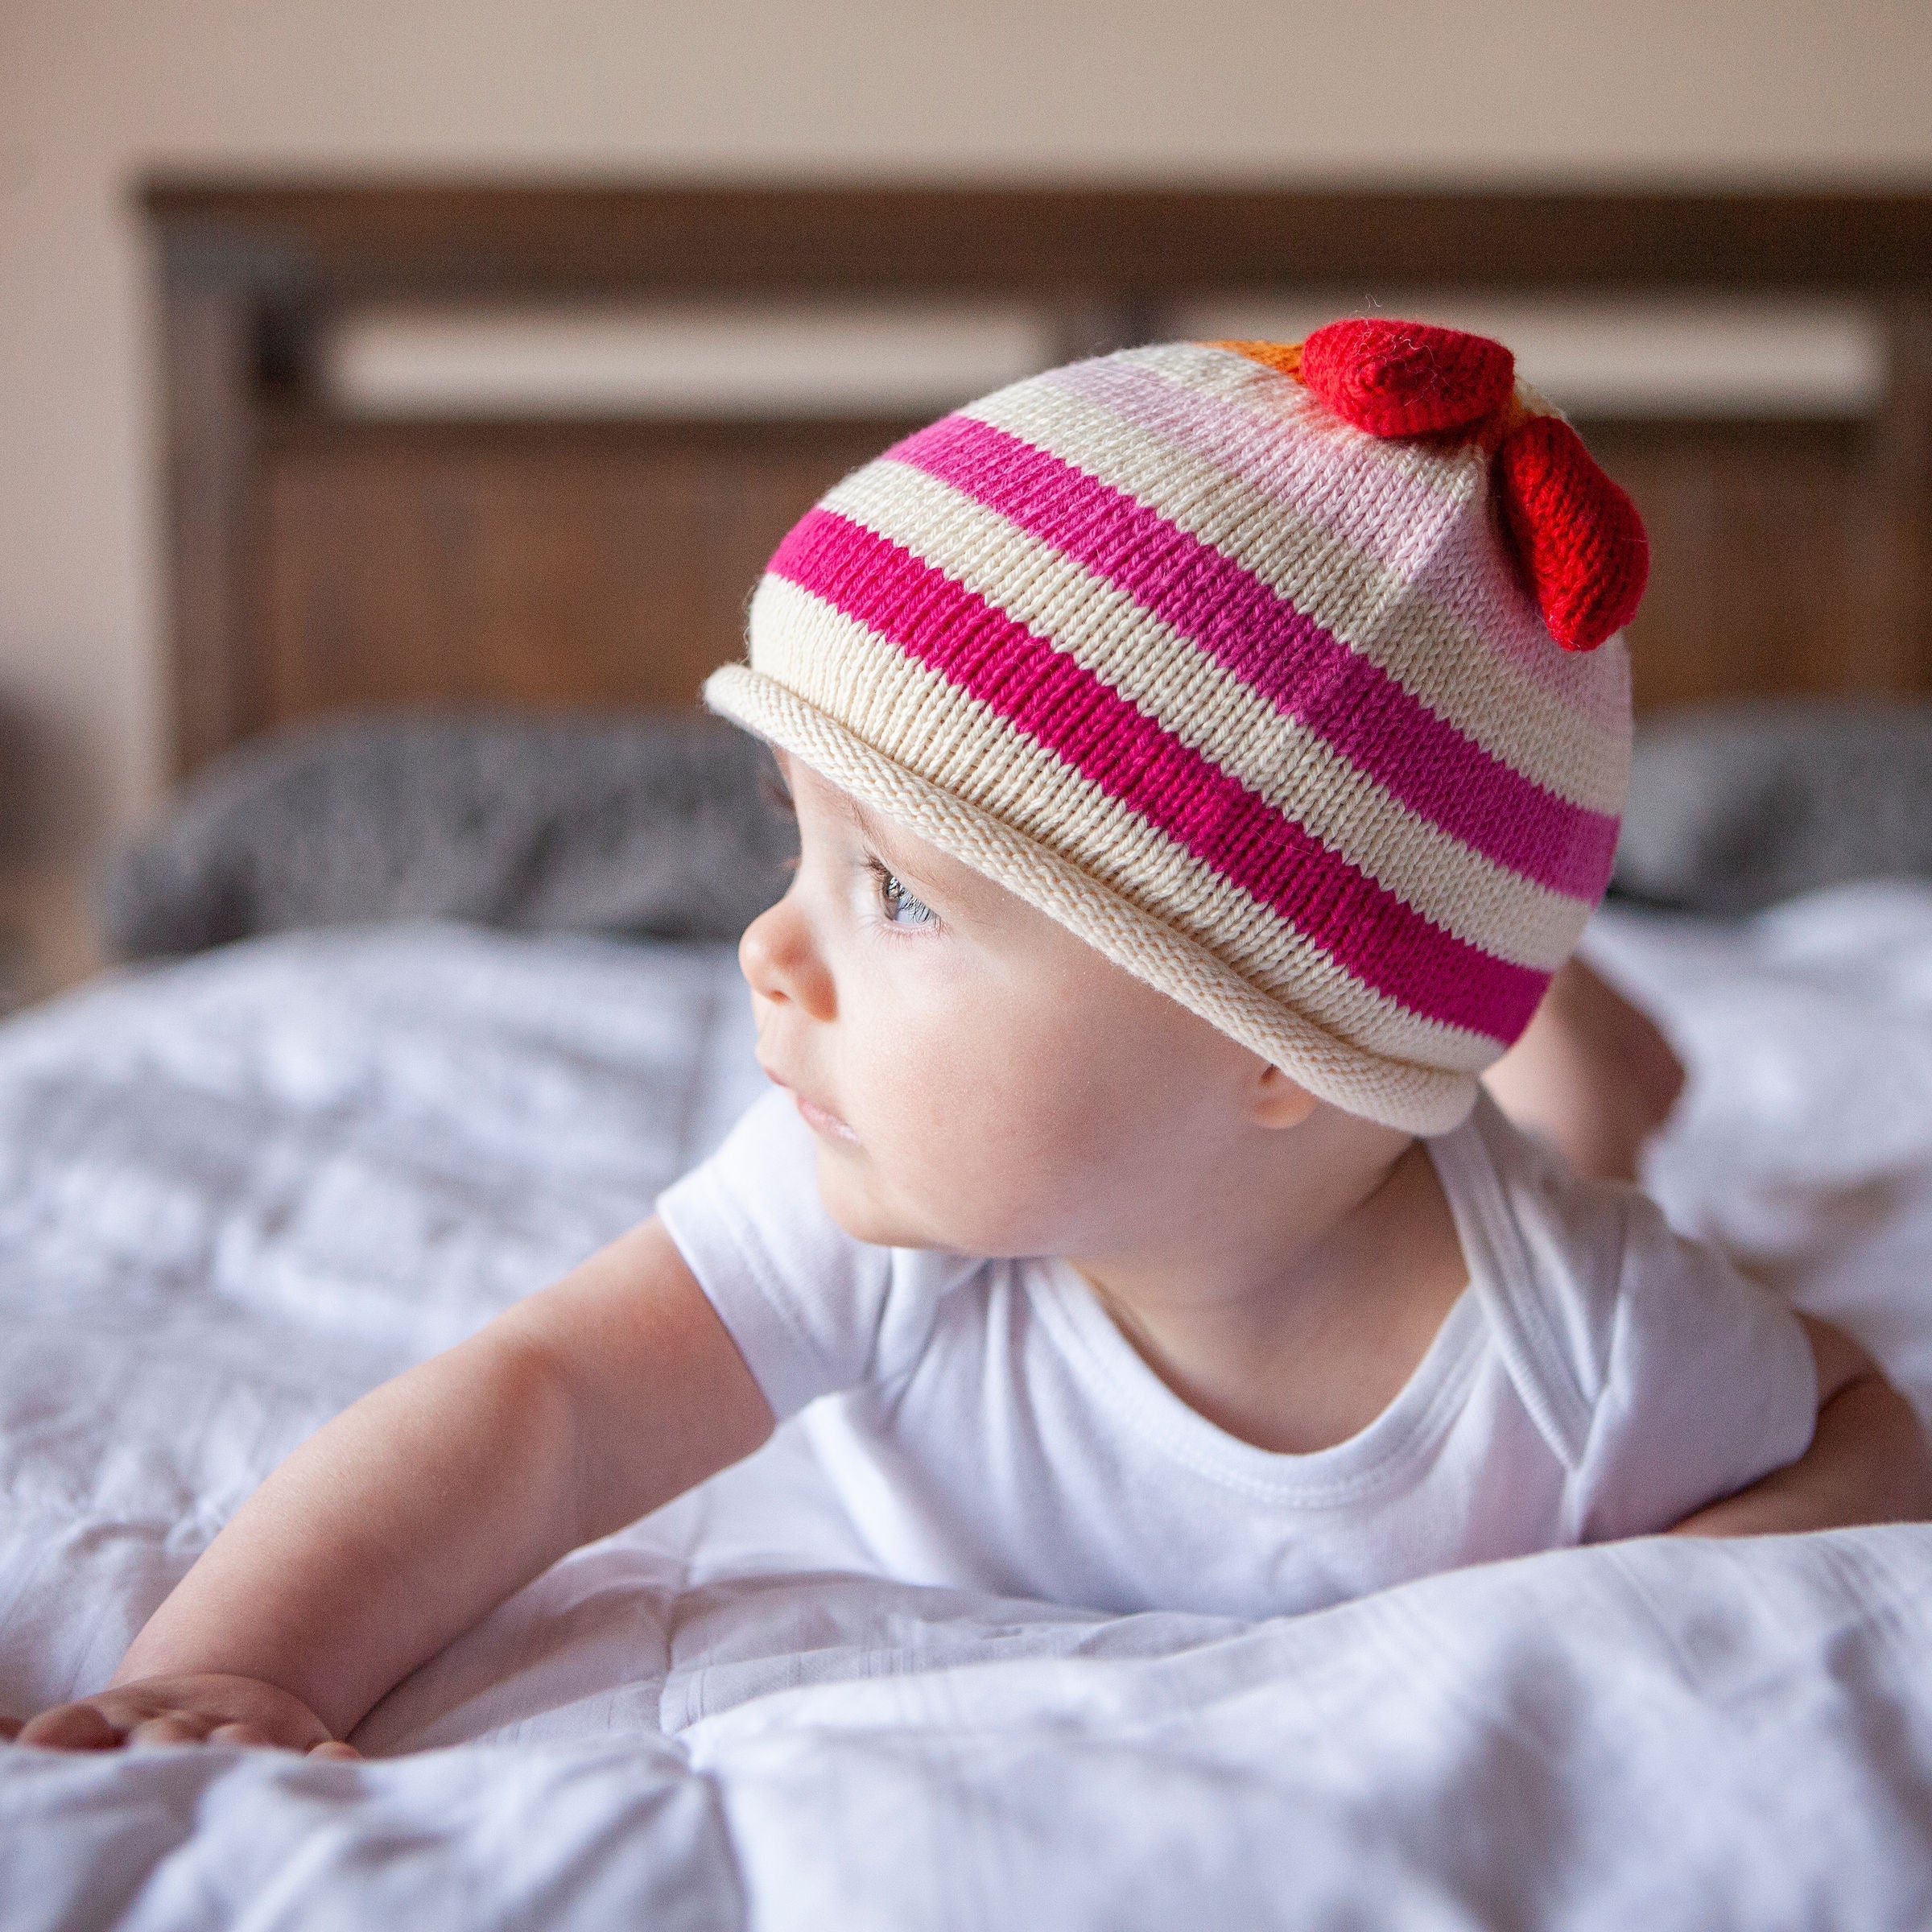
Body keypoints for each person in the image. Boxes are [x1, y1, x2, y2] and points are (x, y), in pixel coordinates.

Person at [14, 323, 1929, 1761]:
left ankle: (1572, 1049)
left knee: (1578, 1152)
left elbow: (1867, 1428)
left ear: (1275, 1037)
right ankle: (1547, 1036)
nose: (769, 949)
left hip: (1461, 1173)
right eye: (801, 843)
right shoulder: (881, 1217)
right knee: (1527, 1119)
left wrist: (1628, 1610)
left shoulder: (1582, 1345)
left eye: (900, 894)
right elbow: (547, 1404)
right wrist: (240, 1667)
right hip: (1375, 1084)